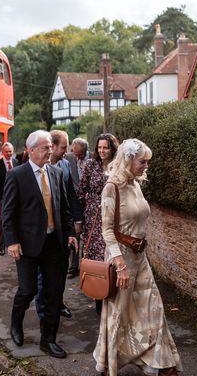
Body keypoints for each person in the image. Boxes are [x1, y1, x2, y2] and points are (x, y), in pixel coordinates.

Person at [93, 138, 181, 376]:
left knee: (153, 308)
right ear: (129, 160)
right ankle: (108, 364)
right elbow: (107, 230)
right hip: (120, 260)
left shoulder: (135, 184)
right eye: (143, 161)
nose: (146, 166)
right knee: (119, 313)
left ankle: (160, 363)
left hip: (140, 259)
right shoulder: (111, 187)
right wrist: (119, 265)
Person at [2, 130, 77, 359]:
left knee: (54, 293)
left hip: (54, 244)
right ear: (31, 149)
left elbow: (63, 207)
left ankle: (48, 340)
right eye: (46, 147)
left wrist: (71, 233)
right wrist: (12, 241)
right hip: (27, 245)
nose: (50, 151)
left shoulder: (56, 173)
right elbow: (7, 213)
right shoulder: (17, 175)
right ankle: (16, 323)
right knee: (28, 290)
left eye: (51, 147)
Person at [34, 130, 80, 320]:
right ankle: (43, 311)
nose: (67, 150)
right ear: (52, 147)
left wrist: (76, 222)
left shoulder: (66, 164)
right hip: (40, 233)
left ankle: (58, 303)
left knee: (59, 272)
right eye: (63, 146)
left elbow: (71, 196)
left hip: (61, 230)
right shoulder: (34, 167)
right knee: (41, 277)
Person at [78, 133, 119, 316]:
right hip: (93, 218)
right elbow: (81, 191)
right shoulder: (90, 165)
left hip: (112, 216)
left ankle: (114, 297)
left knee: (112, 257)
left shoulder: (118, 166)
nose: (102, 151)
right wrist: (79, 218)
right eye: (99, 147)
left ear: (112, 149)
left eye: (106, 147)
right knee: (96, 259)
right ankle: (98, 298)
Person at [65, 137, 89, 277]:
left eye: (79, 154)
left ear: (85, 151)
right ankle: (73, 266)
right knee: (74, 233)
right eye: (74, 153)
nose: (76, 156)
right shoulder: (68, 157)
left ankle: (88, 265)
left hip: (90, 203)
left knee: (90, 235)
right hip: (74, 203)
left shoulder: (93, 158)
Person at [0, 142, 19, 255]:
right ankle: (2, 246)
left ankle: (15, 243)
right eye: (7, 152)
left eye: (10, 151)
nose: (9, 153)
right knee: (3, 222)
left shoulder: (16, 162)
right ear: (3, 152)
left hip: (16, 197)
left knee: (16, 221)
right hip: (3, 199)